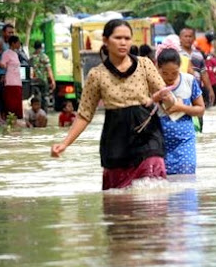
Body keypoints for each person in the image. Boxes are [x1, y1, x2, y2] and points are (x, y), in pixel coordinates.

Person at [51, 19, 172, 190]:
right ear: (106, 40)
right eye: (118, 38)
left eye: (127, 38)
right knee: (119, 206)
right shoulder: (96, 75)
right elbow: (85, 114)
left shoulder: (145, 65)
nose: (123, 42)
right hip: (116, 141)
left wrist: (166, 98)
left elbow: (169, 100)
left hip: (148, 134)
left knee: (154, 191)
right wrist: (64, 144)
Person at [157, 48, 205, 175]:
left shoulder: (189, 81)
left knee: (187, 180)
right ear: (158, 68)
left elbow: (200, 110)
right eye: (165, 73)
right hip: (158, 143)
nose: (169, 77)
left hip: (184, 141)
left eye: (174, 73)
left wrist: (181, 108)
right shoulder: (152, 84)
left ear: (180, 67)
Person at [179, 27, 215, 106]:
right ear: (180, 38)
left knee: (198, 114)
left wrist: (210, 90)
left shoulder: (198, 55)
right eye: (186, 36)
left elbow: (203, 73)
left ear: (194, 38)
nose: (188, 39)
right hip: (180, 92)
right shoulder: (176, 54)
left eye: (190, 36)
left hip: (196, 91)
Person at [0, 36, 23, 121]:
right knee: (11, 103)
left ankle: (15, 120)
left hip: (17, 81)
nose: (19, 44)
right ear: (13, 43)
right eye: (18, 42)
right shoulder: (6, 53)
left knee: (17, 102)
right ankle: (9, 119)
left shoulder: (16, 54)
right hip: (10, 81)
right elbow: (3, 65)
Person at [30, 41, 56, 112]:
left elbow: (30, 69)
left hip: (34, 80)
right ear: (41, 47)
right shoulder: (44, 57)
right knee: (44, 96)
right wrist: (52, 80)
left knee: (36, 97)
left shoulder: (31, 57)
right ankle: (43, 112)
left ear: (34, 47)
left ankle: (36, 111)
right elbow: (49, 69)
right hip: (43, 80)